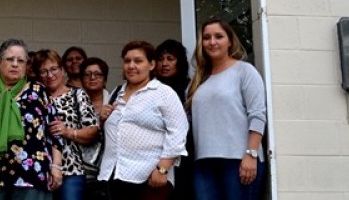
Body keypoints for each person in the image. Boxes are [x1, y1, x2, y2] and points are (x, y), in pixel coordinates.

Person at [0, 38, 64, 200]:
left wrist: (56, 166)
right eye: (10, 59)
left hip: (30, 175)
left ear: (27, 65)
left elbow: (54, 132)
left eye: (20, 60)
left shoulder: (38, 91)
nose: (15, 64)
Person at [186, 19, 267, 200]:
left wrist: (251, 154)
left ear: (230, 41)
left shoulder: (245, 71)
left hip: (239, 160)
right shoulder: (198, 81)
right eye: (206, 37)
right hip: (204, 163)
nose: (212, 42)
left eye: (218, 36)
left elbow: (258, 115)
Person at [98, 41, 188, 200]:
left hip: (149, 178)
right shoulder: (116, 93)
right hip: (114, 175)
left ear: (152, 64)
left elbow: (178, 133)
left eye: (138, 61)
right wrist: (103, 119)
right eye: (127, 61)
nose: (131, 66)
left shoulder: (164, 93)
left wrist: (162, 169)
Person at [32, 49, 100, 200]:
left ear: (62, 69)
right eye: (43, 71)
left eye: (54, 69)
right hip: (38, 170)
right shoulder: (33, 98)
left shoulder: (78, 95)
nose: (50, 75)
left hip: (71, 170)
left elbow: (93, 131)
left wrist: (68, 132)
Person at [154, 40, 193, 200]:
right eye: (161, 59)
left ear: (180, 62)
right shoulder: (150, 87)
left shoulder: (190, 88)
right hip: (156, 155)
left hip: (186, 155)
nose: (164, 64)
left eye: (170, 59)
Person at [79, 57, 110, 200]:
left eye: (98, 74)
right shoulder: (72, 102)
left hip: (107, 171)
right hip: (78, 170)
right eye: (87, 74)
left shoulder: (114, 102)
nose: (92, 78)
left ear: (105, 79)